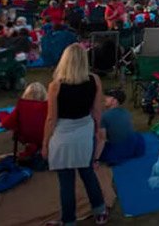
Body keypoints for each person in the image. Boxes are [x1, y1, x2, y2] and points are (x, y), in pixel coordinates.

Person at [42, 43, 108, 226]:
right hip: (84, 132)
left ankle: (69, 220)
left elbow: (51, 119)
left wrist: (45, 143)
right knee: (88, 173)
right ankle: (100, 211)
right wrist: (97, 131)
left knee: (66, 182)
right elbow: (97, 111)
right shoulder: (94, 80)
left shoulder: (56, 86)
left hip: (62, 135)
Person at [0, 82, 48, 158]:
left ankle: (0, 115)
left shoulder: (22, 105)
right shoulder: (48, 106)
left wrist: (0, 118)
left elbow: (7, 123)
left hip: (25, 136)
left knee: (10, 119)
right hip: (44, 136)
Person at [96, 88, 145, 165]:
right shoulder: (126, 112)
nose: (105, 98)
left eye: (108, 97)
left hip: (117, 152)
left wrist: (96, 159)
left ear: (114, 101)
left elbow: (102, 140)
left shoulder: (104, 116)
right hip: (133, 148)